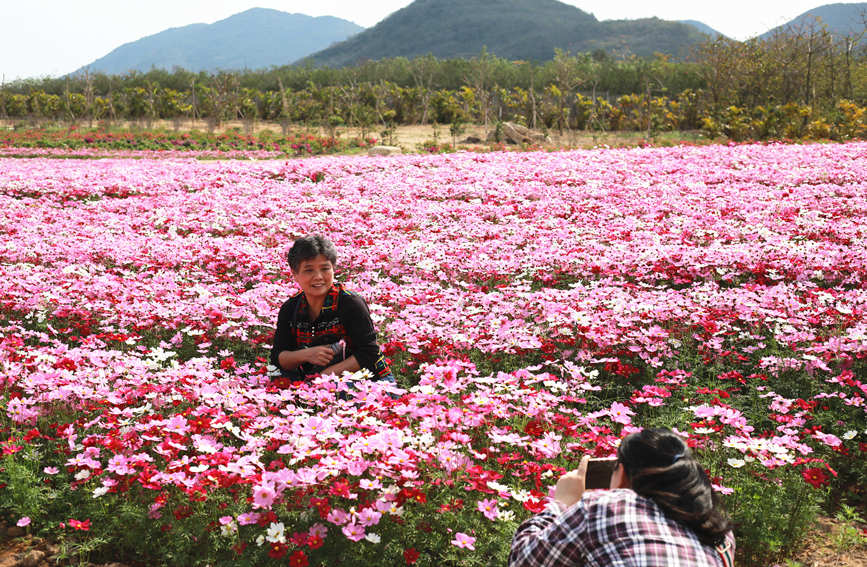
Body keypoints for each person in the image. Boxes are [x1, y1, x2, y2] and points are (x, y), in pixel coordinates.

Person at [509, 428, 735, 567]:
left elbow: (522, 561)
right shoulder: (717, 529)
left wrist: (563, 503)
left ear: (624, 473)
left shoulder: (604, 506)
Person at [270, 235, 393, 384]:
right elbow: (278, 357)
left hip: (366, 379)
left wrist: (325, 376)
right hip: (315, 379)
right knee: (277, 381)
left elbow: (369, 353)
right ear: (295, 274)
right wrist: (306, 354)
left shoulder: (350, 303)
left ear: (333, 269)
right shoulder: (290, 308)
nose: (318, 277)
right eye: (309, 270)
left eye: (325, 268)